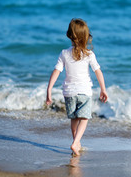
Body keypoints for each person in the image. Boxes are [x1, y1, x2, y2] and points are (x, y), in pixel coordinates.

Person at [46, 18, 108, 156]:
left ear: (69, 35)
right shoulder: (89, 54)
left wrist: (49, 89)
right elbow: (98, 71)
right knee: (84, 118)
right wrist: (103, 89)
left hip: (69, 93)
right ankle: (76, 143)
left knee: (74, 119)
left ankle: (76, 142)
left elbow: (56, 71)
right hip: (84, 92)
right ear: (86, 37)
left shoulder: (64, 53)